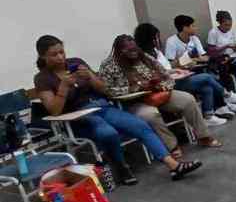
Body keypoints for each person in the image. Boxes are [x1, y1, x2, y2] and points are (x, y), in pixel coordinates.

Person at [34, 35, 202, 184]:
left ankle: (174, 166)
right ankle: (122, 167)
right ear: (43, 56)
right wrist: (63, 87)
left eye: (62, 52)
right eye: (54, 54)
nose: (60, 57)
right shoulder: (42, 78)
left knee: (140, 125)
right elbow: (54, 110)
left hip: (102, 106)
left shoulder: (76, 63)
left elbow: (104, 89)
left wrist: (91, 77)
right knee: (108, 133)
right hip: (78, 116)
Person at [98, 35, 222, 158]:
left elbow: (166, 75)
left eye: (135, 49)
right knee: (150, 115)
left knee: (188, 99)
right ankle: (171, 146)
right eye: (130, 51)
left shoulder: (145, 57)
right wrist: (135, 88)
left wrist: (162, 85)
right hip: (134, 102)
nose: (134, 53)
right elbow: (107, 91)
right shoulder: (108, 66)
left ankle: (203, 137)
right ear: (120, 51)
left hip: (158, 94)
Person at [134, 22, 234, 126]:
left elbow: (165, 68)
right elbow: (155, 74)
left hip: (175, 78)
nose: (158, 40)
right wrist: (175, 69)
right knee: (207, 77)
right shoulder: (143, 56)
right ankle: (226, 94)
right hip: (168, 84)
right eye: (156, 37)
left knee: (206, 87)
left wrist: (177, 70)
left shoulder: (156, 51)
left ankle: (208, 116)